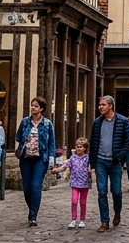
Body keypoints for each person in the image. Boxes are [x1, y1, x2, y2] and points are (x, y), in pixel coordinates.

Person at [87, 95, 129, 232]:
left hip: (115, 161)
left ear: (111, 106)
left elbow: (128, 141)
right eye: (100, 104)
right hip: (101, 160)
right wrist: (92, 162)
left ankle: (117, 212)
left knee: (116, 191)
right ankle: (104, 221)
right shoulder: (97, 122)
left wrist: (120, 156)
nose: (100, 107)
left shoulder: (123, 121)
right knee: (102, 191)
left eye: (103, 105)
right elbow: (93, 142)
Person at [15, 96, 55, 226]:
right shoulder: (25, 122)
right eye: (32, 105)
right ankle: (31, 208)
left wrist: (51, 159)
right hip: (26, 158)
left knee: (36, 186)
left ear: (41, 108)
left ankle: (33, 215)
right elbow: (18, 137)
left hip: (40, 159)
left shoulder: (47, 124)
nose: (33, 108)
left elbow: (51, 143)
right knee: (27, 188)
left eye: (36, 106)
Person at [49, 137, 91, 228]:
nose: (78, 148)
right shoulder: (73, 158)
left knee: (83, 202)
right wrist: (57, 170)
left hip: (84, 183)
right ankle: (73, 219)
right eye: (77, 146)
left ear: (85, 148)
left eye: (80, 147)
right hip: (75, 183)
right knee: (74, 201)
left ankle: (82, 219)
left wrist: (91, 171)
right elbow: (65, 166)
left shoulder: (87, 158)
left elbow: (91, 168)